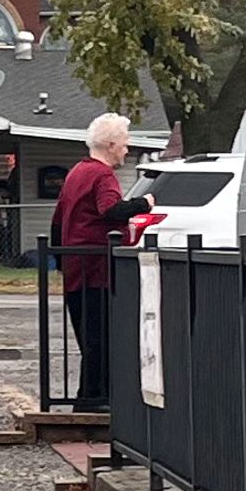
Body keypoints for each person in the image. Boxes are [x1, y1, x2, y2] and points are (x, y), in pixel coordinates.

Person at [52, 112, 150, 412]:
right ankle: (97, 399)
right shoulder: (103, 175)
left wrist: (60, 258)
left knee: (88, 336)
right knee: (101, 335)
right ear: (110, 145)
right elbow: (110, 209)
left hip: (75, 267)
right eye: (123, 143)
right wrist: (142, 204)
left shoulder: (76, 172)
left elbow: (58, 219)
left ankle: (89, 396)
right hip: (97, 267)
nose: (127, 149)